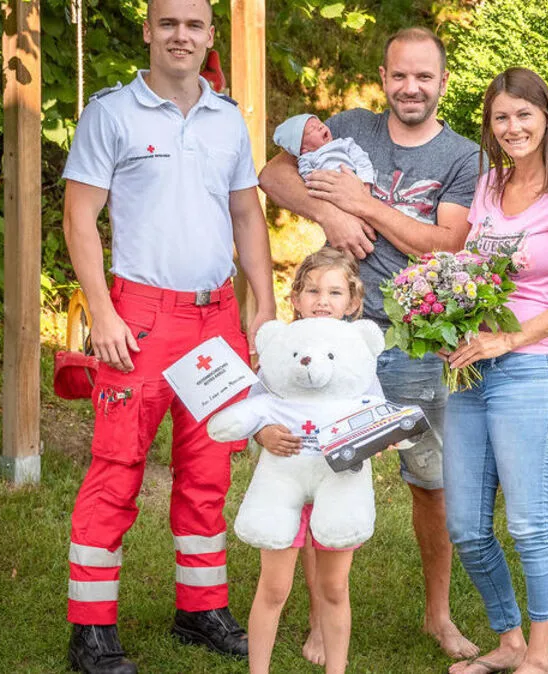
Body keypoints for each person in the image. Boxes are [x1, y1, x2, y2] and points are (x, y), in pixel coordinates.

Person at [60, 1, 276, 672]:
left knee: (209, 470)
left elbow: (246, 215)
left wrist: (261, 308)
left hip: (215, 321)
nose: (182, 36)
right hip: (139, 319)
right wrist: (101, 312)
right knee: (117, 469)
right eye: (169, 23)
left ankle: (201, 608)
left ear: (210, 35)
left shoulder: (226, 120)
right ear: (148, 31)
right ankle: (91, 628)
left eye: (195, 25)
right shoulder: (111, 113)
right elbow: (78, 215)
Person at [257, 26, 483, 660]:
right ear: (384, 78)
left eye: (424, 77)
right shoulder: (352, 126)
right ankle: (318, 621)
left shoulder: (463, 157)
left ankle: (437, 616)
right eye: (399, 75)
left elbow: (448, 244)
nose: (411, 87)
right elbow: (273, 175)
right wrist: (331, 213)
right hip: (333, 339)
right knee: (318, 469)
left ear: (442, 82)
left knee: (429, 483)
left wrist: (364, 203)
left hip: (414, 343)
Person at [441, 68, 548, 674]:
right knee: (465, 526)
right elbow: (463, 272)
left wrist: (510, 338)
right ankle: (508, 640)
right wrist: (446, 326)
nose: (512, 127)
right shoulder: (486, 186)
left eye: (523, 115)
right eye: (501, 117)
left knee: (530, 523)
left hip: (532, 373)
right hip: (470, 373)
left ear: (545, 118)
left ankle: (539, 656)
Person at [238, 248, 371, 674]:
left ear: (352, 302)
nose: (322, 300)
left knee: (335, 587)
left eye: (334, 292)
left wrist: (377, 440)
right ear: (294, 298)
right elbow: (256, 405)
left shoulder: (357, 356)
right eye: (312, 290)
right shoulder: (282, 349)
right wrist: (262, 433)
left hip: (338, 481)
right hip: (284, 478)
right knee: (274, 587)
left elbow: (376, 412)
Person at [272, 113, 377, 185]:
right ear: (304, 149)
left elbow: (362, 159)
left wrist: (365, 183)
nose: (321, 127)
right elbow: (309, 177)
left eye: (320, 123)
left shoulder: (344, 143)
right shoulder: (307, 158)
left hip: (356, 182)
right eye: (312, 129)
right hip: (331, 191)